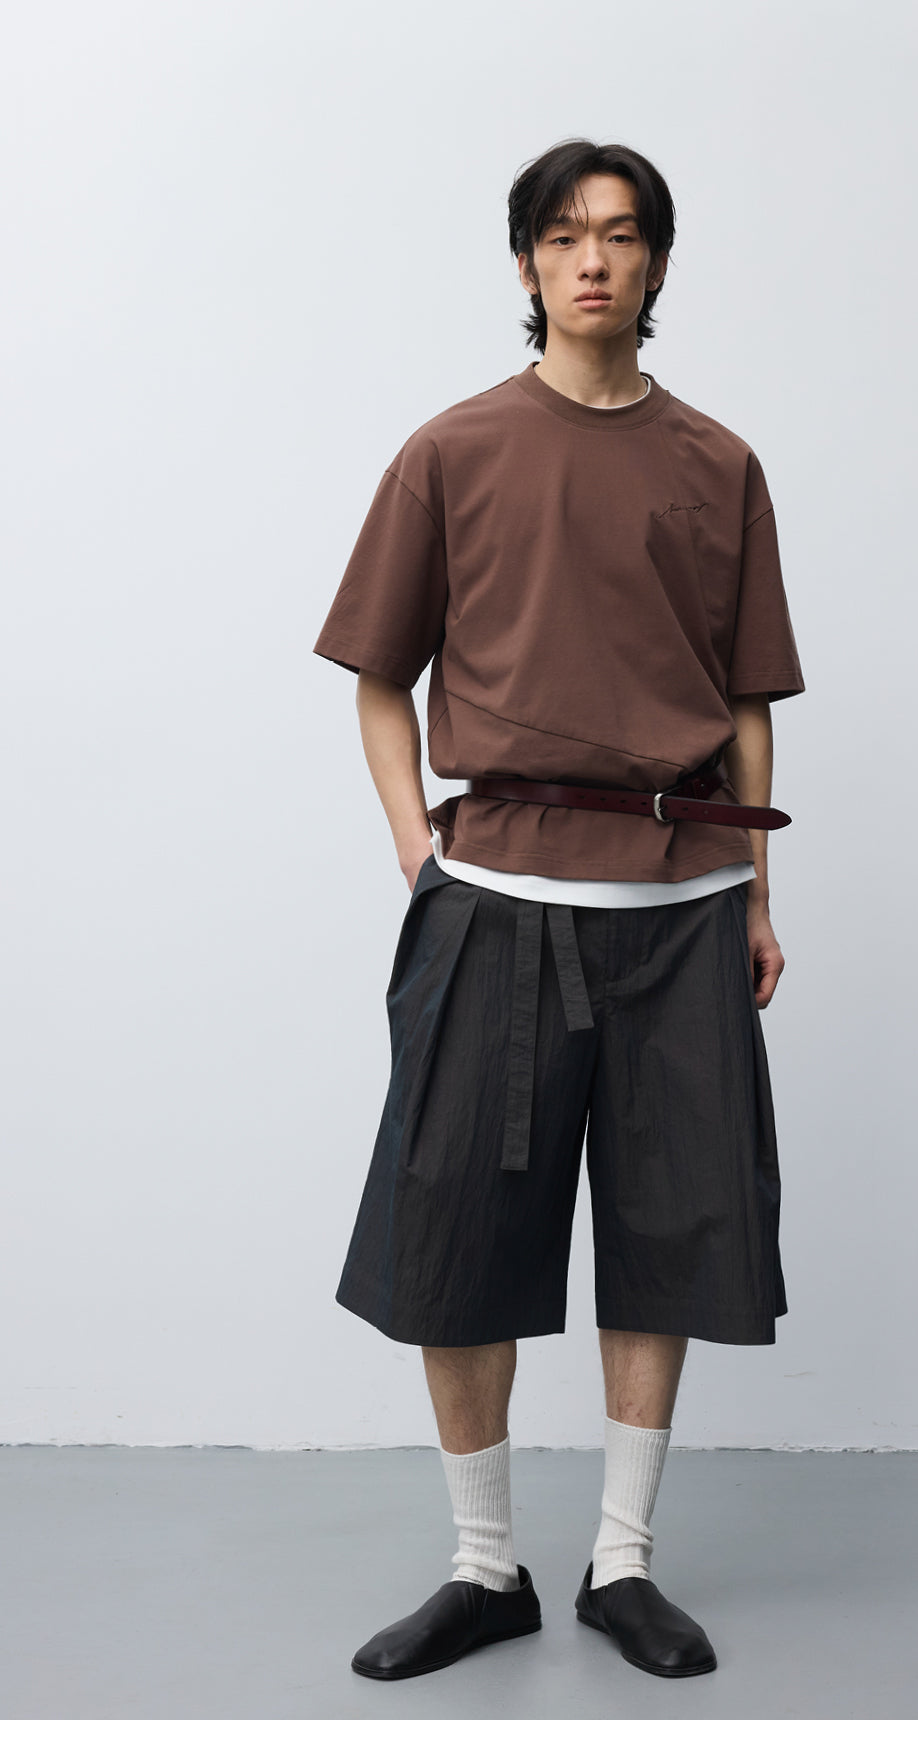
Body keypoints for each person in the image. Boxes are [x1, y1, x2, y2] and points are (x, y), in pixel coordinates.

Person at [312, 137, 806, 1682]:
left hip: (683, 901)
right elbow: (378, 678)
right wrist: (421, 852)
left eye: (622, 234)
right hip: (498, 895)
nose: (593, 259)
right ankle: (483, 1568)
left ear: (656, 262)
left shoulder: (719, 465)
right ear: (526, 262)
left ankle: (621, 1564)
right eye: (564, 234)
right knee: (457, 1228)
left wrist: (758, 896)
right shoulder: (451, 451)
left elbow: (743, 703)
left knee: (666, 1229)